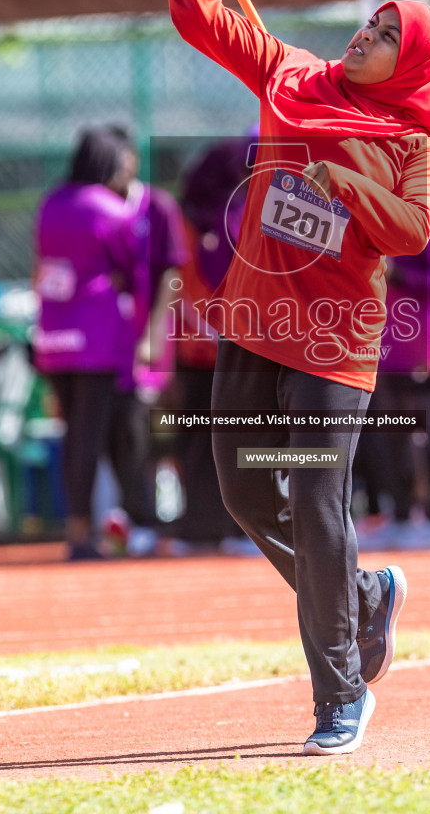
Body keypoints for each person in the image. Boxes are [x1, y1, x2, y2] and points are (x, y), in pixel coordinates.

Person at [165, 0, 430, 754]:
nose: (370, 33)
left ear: (414, 65)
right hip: (253, 326)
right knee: (247, 494)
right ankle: (361, 598)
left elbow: (412, 231)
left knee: (321, 504)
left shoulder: (410, 146)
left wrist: (348, 175)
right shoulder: (290, 74)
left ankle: (339, 691)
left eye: (390, 34)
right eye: (374, 21)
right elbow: (201, 17)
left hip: (332, 345)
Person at [33, 128, 140, 560]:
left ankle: (77, 525)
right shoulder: (111, 209)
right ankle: (86, 533)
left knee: (73, 432)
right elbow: (136, 267)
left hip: (54, 337)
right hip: (97, 339)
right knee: (92, 436)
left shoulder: (51, 203)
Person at [357, 211, 430, 551]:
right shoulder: (382, 214)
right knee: (394, 433)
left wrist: (397, 272)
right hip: (393, 342)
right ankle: (403, 516)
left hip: (427, 342)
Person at [165, 136, 252, 551]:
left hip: (203, 344)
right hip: (225, 346)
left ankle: (206, 526)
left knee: (204, 440)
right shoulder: (234, 215)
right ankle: (229, 528)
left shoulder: (193, 217)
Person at [106, 126, 189, 554]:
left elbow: (172, 276)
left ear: (133, 160)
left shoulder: (156, 207)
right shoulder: (94, 208)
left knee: (149, 426)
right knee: (116, 430)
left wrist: (155, 335)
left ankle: (159, 521)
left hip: (148, 342)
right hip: (105, 346)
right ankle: (134, 516)